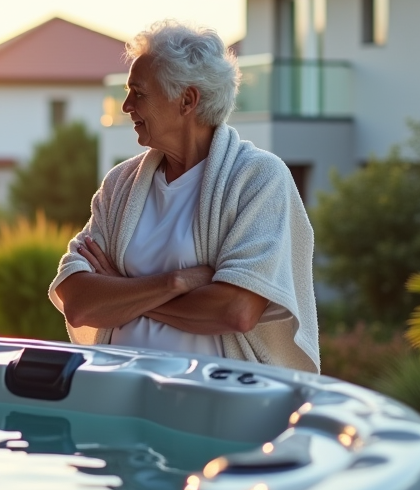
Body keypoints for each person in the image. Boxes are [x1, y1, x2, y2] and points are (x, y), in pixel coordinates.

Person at [49, 21, 319, 371]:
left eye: (139, 93)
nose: (127, 105)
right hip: (118, 395)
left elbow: (235, 310)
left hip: (211, 405)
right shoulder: (121, 183)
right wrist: (177, 282)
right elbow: (79, 302)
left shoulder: (257, 178)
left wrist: (121, 290)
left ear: (187, 100)